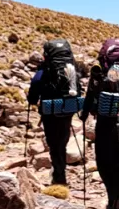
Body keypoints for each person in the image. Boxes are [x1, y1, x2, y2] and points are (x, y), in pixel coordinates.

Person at [82, 39, 119, 209]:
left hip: (105, 121)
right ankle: (117, 196)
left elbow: (90, 94)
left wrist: (84, 114)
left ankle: (113, 195)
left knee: (104, 160)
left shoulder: (100, 73)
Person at [27, 39, 84, 186]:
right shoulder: (71, 67)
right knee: (63, 141)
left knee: (54, 143)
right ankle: (60, 171)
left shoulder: (44, 70)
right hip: (67, 109)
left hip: (50, 111)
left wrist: (32, 100)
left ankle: (59, 176)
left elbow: (34, 87)